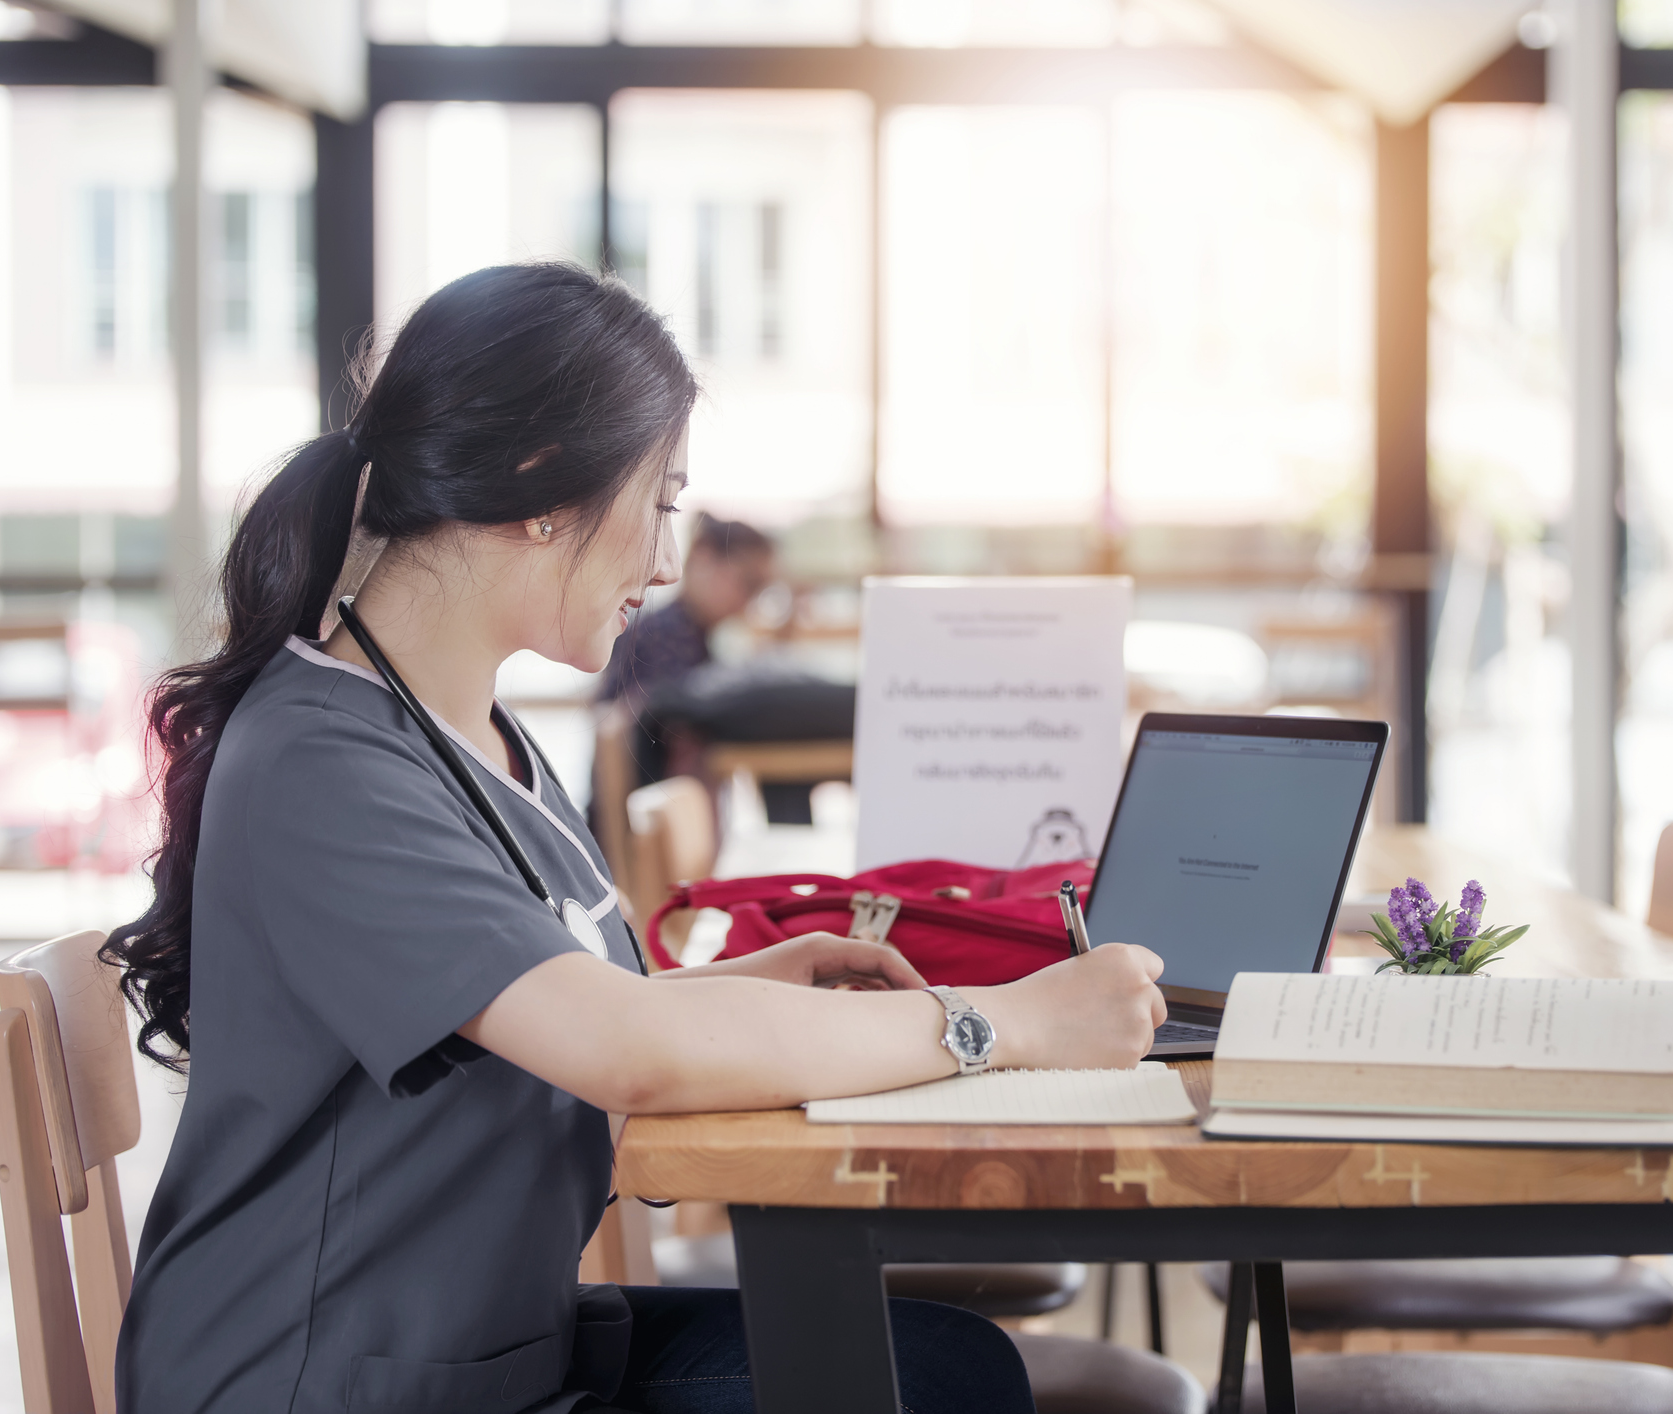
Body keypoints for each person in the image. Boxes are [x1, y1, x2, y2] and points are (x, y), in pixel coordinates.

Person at [104, 263, 1165, 1414]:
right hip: (318, 1383)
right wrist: (1005, 1022)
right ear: (539, 486)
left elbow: (586, 1011)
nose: (665, 563)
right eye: (661, 502)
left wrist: (748, 987)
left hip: (473, 1351)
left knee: (947, 1368)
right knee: (926, 1388)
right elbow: (625, 1051)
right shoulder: (325, 761)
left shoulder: (473, 733)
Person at [596, 512, 773, 713]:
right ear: (703, 557)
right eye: (749, 583)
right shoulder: (660, 636)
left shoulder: (695, 634)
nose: (750, 601)